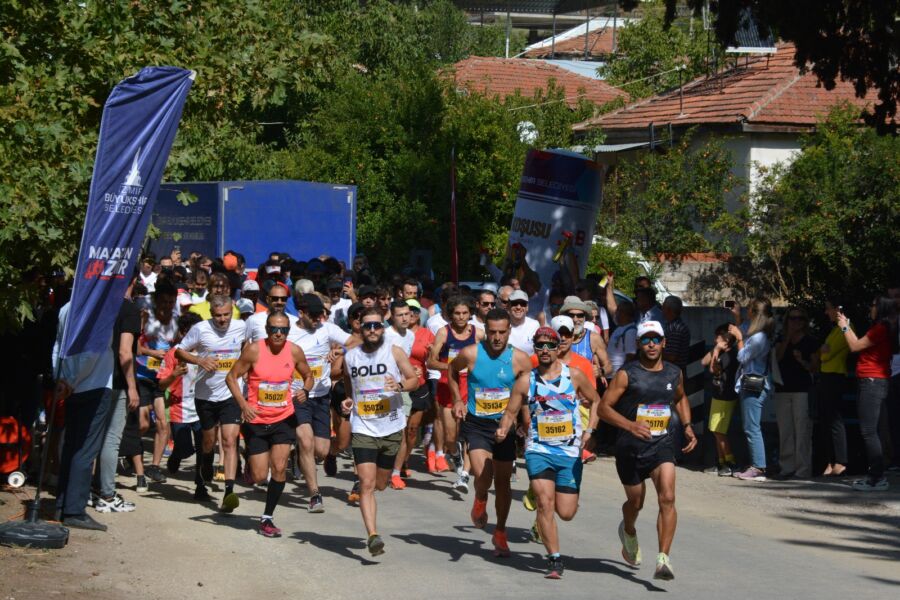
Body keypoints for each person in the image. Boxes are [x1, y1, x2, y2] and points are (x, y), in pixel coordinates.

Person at [596, 320, 697, 581]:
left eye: (655, 339)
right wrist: (630, 426)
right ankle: (628, 529)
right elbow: (603, 409)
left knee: (668, 497)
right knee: (636, 502)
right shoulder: (627, 374)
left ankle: (663, 558)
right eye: (645, 340)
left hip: (662, 443)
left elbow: (681, 397)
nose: (651, 344)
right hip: (629, 448)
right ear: (639, 344)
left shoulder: (674, 373)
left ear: (664, 343)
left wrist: (687, 425)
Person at [499, 326, 602, 578]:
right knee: (546, 503)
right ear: (534, 348)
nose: (544, 350)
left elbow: (597, 400)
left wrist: (590, 431)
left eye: (550, 345)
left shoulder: (575, 376)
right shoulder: (526, 380)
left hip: (568, 452)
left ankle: (546, 521)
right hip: (538, 449)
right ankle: (554, 559)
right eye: (540, 345)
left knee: (566, 512)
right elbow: (511, 412)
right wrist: (503, 430)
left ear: (558, 349)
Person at [449, 308, 532, 558]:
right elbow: (453, 372)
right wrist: (457, 400)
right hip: (477, 424)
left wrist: (525, 422)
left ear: (509, 331)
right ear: (486, 330)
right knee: (483, 475)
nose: (497, 337)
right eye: (492, 332)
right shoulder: (471, 353)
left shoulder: (520, 360)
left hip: (504, 426)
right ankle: (481, 496)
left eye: (502, 332)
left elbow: (527, 394)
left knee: (504, 483)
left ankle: (501, 532)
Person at [225, 312, 312, 536]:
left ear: (288, 331)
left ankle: (267, 518)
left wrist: (305, 390)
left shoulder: (294, 350)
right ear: (266, 329)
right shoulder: (254, 350)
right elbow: (231, 377)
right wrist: (243, 405)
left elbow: (308, 375)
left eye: (283, 330)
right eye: (274, 329)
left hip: (284, 418)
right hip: (256, 421)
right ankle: (250, 464)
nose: (278, 334)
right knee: (260, 476)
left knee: (280, 468)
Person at [342, 308, 418, 556]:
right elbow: (347, 383)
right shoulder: (351, 357)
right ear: (360, 328)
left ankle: (376, 494)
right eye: (367, 326)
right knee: (366, 483)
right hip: (363, 426)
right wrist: (347, 400)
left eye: (376, 326)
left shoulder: (394, 352)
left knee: (381, 484)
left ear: (382, 328)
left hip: (391, 426)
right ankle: (373, 535)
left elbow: (413, 379)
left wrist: (399, 385)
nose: (372, 330)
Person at [175, 294, 246, 512]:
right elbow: (179, 350)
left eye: (226, 315)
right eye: (218, 316)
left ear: (232, 310)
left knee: (229, 441)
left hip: (231, 394)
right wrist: (199, 360)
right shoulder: (201, 329)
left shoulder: (242, 326)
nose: (222, 320)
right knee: (207, 443)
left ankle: (229, 493)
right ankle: (204, 468)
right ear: (211, 314)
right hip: (205, 395)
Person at [288, 293, 358, 512]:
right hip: (297, 395)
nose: (319, 319)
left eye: (322, 314)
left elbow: (357, 341)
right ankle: (315, 495)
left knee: (321, 450)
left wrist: (340, 350)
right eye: (314, 315)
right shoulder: (289, 332)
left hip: (321, 395)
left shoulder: (327, 329)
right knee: (307, 442)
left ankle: (298, 452)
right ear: (301, 313)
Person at [52, 301, 115, 531]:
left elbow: (58, 346)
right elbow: (93, 350)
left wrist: (60, 377)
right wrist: (70, 380)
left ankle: (62, 504)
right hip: (92, 385)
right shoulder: (98, 308)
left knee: (71, 445)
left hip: (72, 383)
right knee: (84, 449)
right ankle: (74, 510)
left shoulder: (67, 307)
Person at [838, 297, 898, 491]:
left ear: (880, 308)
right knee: (874, 431)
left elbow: (855, 346)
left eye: (872, 305)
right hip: (876, 382)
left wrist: (844, 327)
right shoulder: (883, 328)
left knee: (869, 431)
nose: (870, 308)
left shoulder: (881, 328)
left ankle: (876, 477)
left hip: (872, 382)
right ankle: (877, 474)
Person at [428, 295, 483, 488]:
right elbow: (431, 361)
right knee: (451, 437)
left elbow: (489, 354)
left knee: (468, 433)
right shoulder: (444, 333)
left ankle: (465, 474)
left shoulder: (478, 333)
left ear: (470, 314)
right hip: (447, 385)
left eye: (464, 313)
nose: (461, 317)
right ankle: (455, 455)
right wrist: (452, 367)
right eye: (457, 313)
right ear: (450, 315)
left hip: (471, 387)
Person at [157, 312, 208, 500]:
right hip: (180, 410)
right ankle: (176, 455)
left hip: (203, 410)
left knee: (204, 448)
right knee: (186, 448)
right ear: (183, 332)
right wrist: (174, 375)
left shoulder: (207, 351)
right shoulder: (173, 354)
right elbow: (161, 384)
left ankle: (200, 486)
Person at [136, 280, 179, 486]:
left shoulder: (175, 320)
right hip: (142, 375)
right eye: (164, 301)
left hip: (161, 379)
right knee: (143, 424)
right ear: (156, 299)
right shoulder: (146, 316)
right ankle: (130, 452)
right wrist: (152, 352)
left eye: (171, 302)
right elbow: (134, 347)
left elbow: (176, 345)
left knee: (163, 423)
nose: (168, 306)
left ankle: (154, 466)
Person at [730, 298, 775, 482]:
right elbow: (745, 329)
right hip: (752, 384)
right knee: (751, 426)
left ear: (755, 313)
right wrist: (737, 318)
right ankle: (756, 465)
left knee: (752, 427)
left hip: (754, 385)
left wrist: (739, 338)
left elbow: (742, 356)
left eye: (749, 309)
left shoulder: (759, 338)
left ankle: (758, 467)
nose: (747, 312)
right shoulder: (759, 333)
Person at [391, 299, 435, 482]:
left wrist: (413, 371)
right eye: (400, 315)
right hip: (389, 388)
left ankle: (397, 469)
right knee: (395, 431)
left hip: (411, 387)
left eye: (407, 314)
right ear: (392, 317)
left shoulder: (410, 335)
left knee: (408, 429)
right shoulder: (385, 335)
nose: (404, 318)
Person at [773, 307, 818, 479]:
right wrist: (787, 339)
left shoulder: (810, 341)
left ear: (805, 321)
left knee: (803, 432)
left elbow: (815, 367)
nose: (796, 321)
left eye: (800, 318)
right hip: (783, 389)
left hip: (802, 390)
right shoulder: (781, 338)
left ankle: (802, 470)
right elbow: (777, 357)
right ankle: (787, 468)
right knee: (785, 431)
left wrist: (802, 361)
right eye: (792, 318)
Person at [817, 299, 851, 477]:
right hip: (826, 376)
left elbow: (826, 355)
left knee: (835, 420)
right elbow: (822, 352)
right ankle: (831, 461)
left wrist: (824, 352)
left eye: (828, 308)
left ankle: (840, 461)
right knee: (825, 420)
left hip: (835, 376)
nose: (826, 312)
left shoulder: (844, 329)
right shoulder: (834, 330)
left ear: (838, 309)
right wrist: (823, 352)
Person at [702, 325, 739, 476]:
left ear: (727, 338)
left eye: (719, 335)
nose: (715, 338)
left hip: (726, 396)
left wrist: (717, 350)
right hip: (718, 395)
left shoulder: (731, 355)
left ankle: (731, 462)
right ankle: (720, 462)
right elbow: (704, 362)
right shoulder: (722, 351)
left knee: (719, 430)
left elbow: (713, 369)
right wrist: (716, 349)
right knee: (715, 429)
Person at [560, 296, 611, 381]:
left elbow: (608, 365)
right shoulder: (557, 336)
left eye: (580, 315)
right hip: (562, 391)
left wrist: (601, 371)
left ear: (585, 318)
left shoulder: (593, 338)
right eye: (571, 315)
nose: (575, 319)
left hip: (586, 390)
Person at [608, 301, 637, 376]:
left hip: (617, 374)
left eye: (618, 311)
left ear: (625, 314)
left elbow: (630, 357)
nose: (616, 313)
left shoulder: (631, 331)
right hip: (610, 372)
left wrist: (620, 373)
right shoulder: (620, 327)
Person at [661, 296, 690, 371]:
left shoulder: (675, 329)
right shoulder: (673, 325)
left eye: (663, 306)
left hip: (673, 372)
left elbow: (672, 357)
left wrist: (655, 353)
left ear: (669, 309)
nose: (662, 308)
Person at [508, 290, 540, 355]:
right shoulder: (502, 325)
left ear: (527, 307)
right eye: (514, 303)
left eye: (522, 304)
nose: (518, 307)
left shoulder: (534, 325)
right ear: (509, 306)